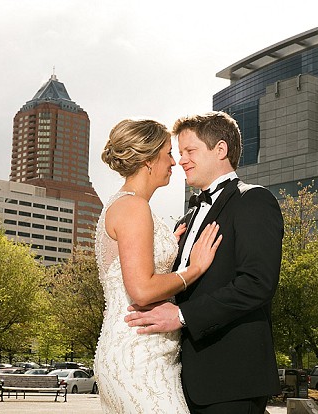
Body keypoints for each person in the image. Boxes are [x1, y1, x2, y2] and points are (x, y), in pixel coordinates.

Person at [125, 112, 283, 413]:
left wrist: (182, 315)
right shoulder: (187, 218)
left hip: (231, 379)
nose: (181, 160)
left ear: (220, 150)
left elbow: (257, 284)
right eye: (179, 153)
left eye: (189, 151)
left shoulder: (253, 201)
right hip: (180, 379)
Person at [94, 119, 222, 413]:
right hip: (138, 356)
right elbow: (141, 290)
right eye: (167, 153)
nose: (174, 162)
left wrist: (169, 245)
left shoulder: (126, 205)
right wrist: (194, 269)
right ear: (149, 160)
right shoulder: (133, 207)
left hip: (140, 350)